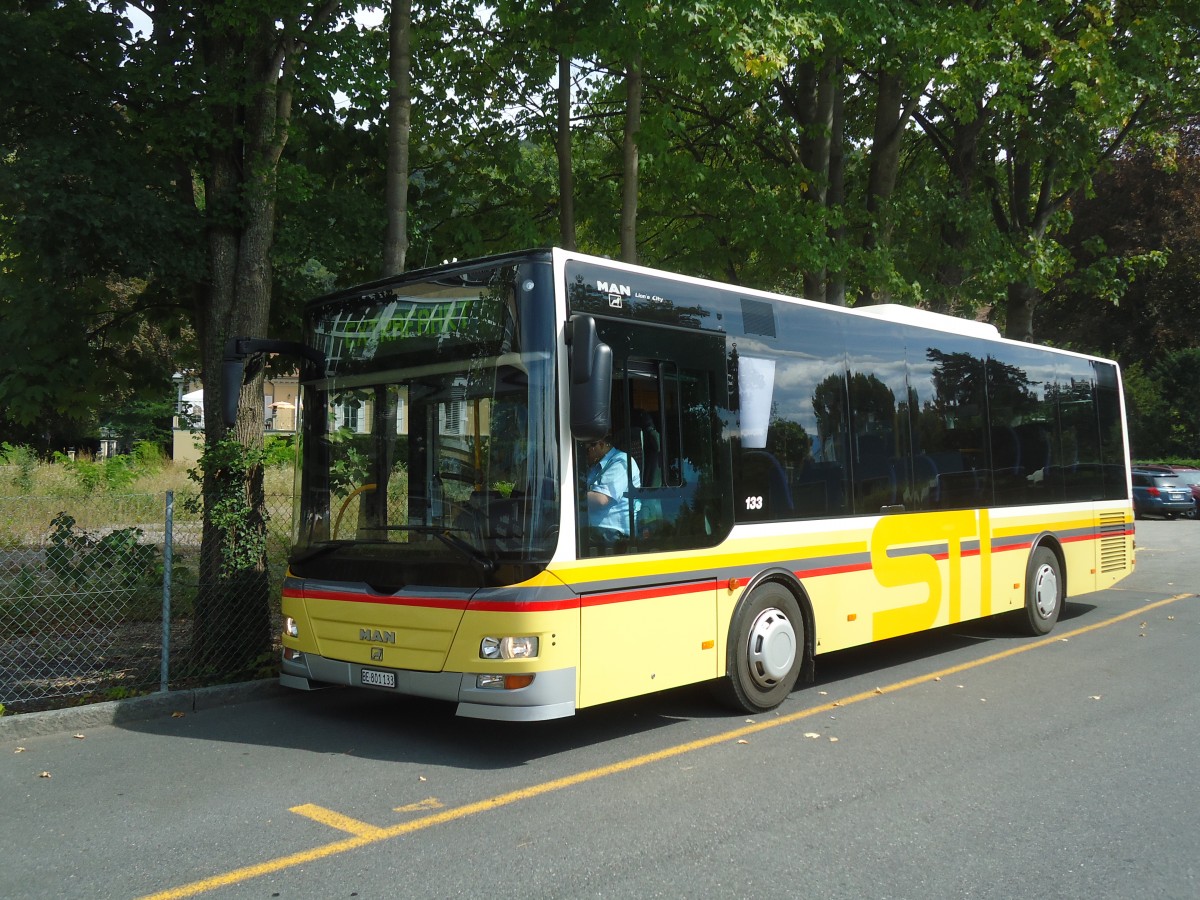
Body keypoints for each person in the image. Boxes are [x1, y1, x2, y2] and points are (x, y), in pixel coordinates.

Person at [583, 435, 640, 542]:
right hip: (597, 531)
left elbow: (602, 499)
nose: (586, 455)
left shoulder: (622, 462)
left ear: (601, 444)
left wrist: (567, 496)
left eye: (587, 450)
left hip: (614, 536)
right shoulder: (595, 467)